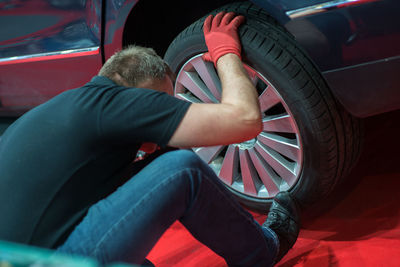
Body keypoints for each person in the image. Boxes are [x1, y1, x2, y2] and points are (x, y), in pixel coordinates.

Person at [0, 12, 300, 266]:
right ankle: (263, 251)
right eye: (165, 101)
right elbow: (245, 121)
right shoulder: (115, 101)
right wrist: (226, 55)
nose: (157, 138)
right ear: (141, 88)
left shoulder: (50, 114)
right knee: (181, 169)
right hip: (53, 260)